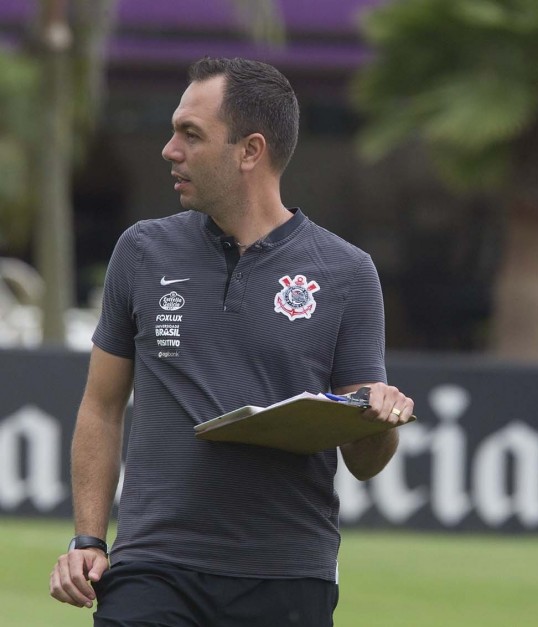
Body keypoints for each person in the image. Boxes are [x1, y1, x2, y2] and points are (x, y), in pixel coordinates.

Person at [49, 57, 414, 626]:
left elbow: (366, 463)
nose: (170, 150)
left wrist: (378, 417)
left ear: (250, 151)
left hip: (288, 575)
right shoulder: (141, 251)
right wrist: (87, 538)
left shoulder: (347, 271)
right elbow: (100, 407)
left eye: (190, 135)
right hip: (153, 568)